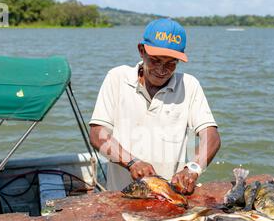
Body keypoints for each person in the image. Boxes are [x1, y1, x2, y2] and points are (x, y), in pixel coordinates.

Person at [89, 18, 221, 194]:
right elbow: (98, 134)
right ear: (141, 51)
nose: (162, 69)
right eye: (155, 60)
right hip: (121, 195)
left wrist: (193, 169)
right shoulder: (117, 78)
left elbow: (211, 137)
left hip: (170, 194)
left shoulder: (189, 86)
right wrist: (132, 162)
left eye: (170, 63)